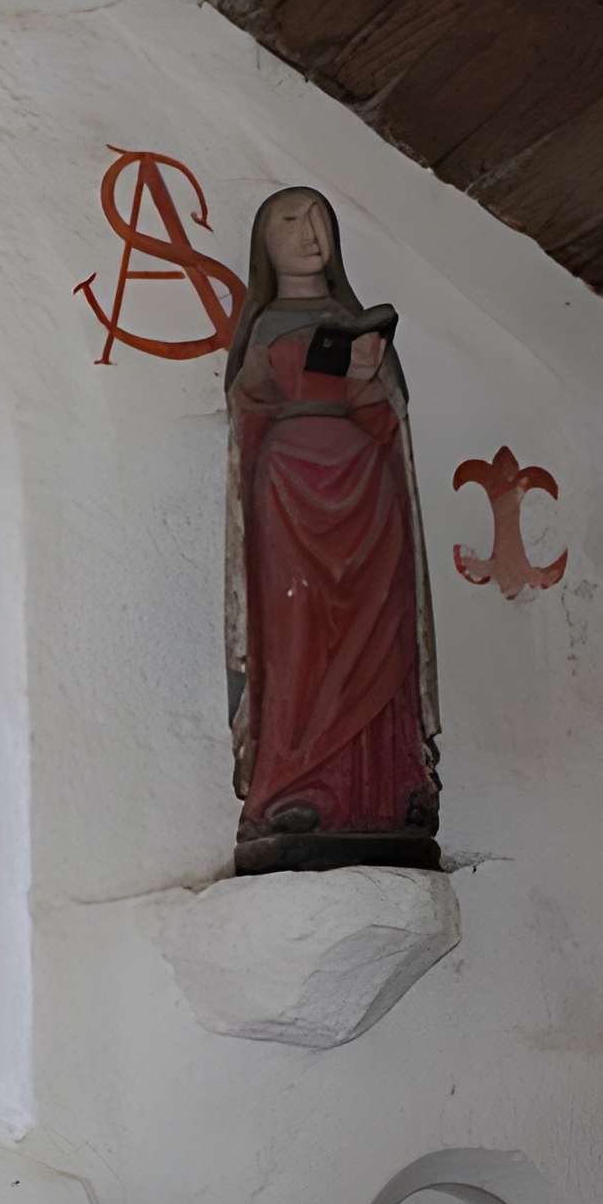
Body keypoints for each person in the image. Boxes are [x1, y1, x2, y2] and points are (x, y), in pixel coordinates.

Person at [222, 187, 439, 869]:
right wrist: (278, 372)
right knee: (298, 636)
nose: (308, 232)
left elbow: (387, 428)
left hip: (368, 501)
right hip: (289, 495)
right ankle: (294, 785)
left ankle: (392, 783)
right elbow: (246, 419)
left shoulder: (356, 322)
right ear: (265, 242)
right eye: (290, 220)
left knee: (380, 630)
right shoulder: (259, 329)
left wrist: (370, 380)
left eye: (320, 219)